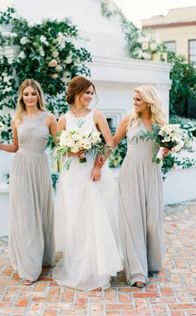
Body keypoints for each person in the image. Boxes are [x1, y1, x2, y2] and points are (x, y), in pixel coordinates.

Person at [53, 76, 123, 291]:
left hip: (92, 174)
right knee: (76, 220)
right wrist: (71, 150)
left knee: (93, 218)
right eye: (87, 92)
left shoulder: (97, 115)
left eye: (92, 93)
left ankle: (96, 269)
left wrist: (98, 166)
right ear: (76, 93)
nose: (90, 97)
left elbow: (109, 143)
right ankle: (78, 267)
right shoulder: (63, 119)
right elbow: (58, 145)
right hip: (72, 174)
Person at [0, 79, 58, 285]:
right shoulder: (17, 119)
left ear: (39, 95)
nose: (29, 97)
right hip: (21, 168)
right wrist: (0, 146)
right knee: (26, 216)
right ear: (22, 96)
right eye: (26, 94)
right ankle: (29, 268)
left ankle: (44, 257)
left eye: (33, 94)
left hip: (40, 167)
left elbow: (59, 144)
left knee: (42, 212)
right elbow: (16, 146)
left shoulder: (49, 118)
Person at [113, 84, 168, 288]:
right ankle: (137, 272)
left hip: (152, 171)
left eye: (138, 99)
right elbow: (114, 142)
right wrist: (98, 161)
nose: (134, 102)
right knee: (133, 219)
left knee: (152, 220)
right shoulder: (128, 120)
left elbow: (163, 149)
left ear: (148, 101)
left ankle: (151, 262)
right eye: (134, 99)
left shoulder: (160, 123)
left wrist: (165, 151)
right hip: (131, 170)